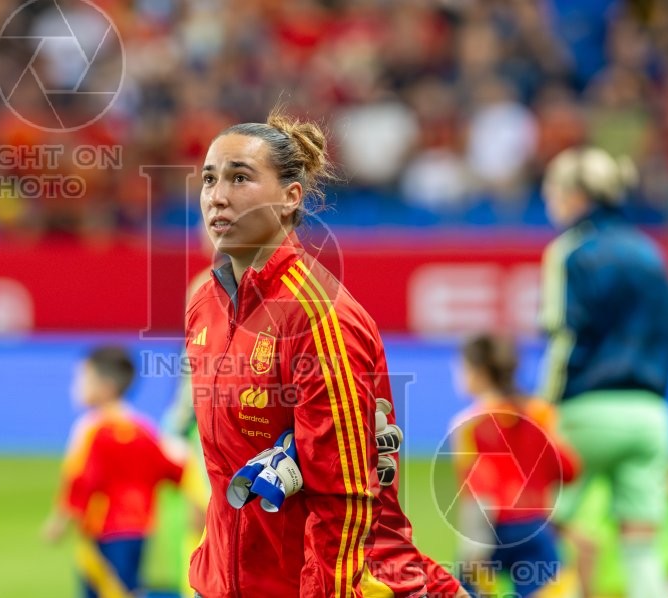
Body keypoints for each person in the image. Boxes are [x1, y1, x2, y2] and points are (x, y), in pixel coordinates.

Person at [185, 110, 466, 597]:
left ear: (290, 197)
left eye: (240, 178)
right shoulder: (205, 302)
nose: (218, 196)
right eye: (209, 179)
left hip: (331, 582)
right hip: (234, 582)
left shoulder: (318, 314)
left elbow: (347, 499)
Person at [538, 146, 668, 598]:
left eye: (554, 190)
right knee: (641, 545)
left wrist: (544, 409)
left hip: (586, 411)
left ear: (575, 195)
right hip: (652, 417)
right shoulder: (653, 254)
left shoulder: (570, 251)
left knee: (543, 531)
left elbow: (563, 334)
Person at [42, 346, 186, 598]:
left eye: (83, 379)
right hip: (140, 527)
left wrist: (60, 520)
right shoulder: (144, 429)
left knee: (105, 590)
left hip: (103, 529)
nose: (76, 387)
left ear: (105, 386)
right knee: (126, 587)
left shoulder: (92, 429)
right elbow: (173, 469)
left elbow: (82, 480)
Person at [449, 334, 580, 597]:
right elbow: (568, 469)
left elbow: (477, 489)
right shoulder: (540, 413)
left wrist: (471, 550)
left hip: (492, 529)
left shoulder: (468, 425)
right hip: (536, 527)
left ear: (479, 372)